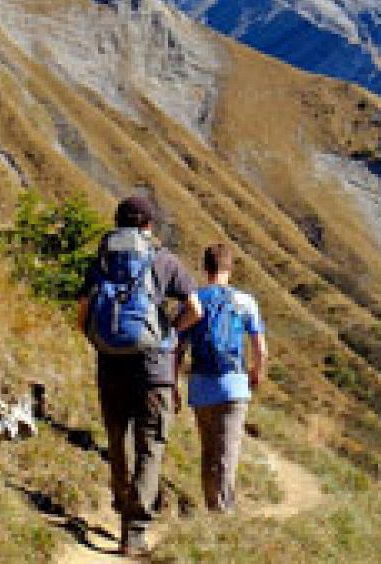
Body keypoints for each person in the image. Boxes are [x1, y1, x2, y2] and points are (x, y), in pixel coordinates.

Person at [78, 196, 201, 556]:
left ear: (117, 222)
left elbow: (83, 311)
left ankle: (121, 501)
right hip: (154, 369)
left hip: (110, 365)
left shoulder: (101, 261)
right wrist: (171, 331)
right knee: (150, 447)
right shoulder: (164, 260)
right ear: (149, 225)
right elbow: (195, 309)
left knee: (117, 439)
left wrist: (98, 340)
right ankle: (133, 533)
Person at [175, 243, 268, 513]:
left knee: (208, 452)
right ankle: (223, 515)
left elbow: (177, 347)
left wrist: (173, 384)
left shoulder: (193, 300)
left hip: (200, 387)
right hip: (234, 387)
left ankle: (212, 508)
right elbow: (261, 348)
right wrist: (256, 373)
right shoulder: (245, 302)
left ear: (205, 268)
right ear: (230, 268)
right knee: (227, 454)